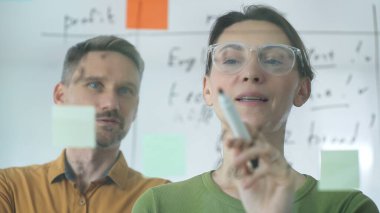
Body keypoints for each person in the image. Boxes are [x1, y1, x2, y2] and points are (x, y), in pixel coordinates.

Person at [132, 5, 379, 213]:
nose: (251, 73)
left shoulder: (347, 207)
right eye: (230, 60)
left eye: (273, 60)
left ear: (302, 89)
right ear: (207, 89)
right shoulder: (158, 206)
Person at [0, 35, 169, 212]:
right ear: (60, 95)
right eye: (95, 85)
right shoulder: (10, 188)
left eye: (125, 90)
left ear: (136, 106)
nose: (111, 103)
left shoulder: (161, 199)